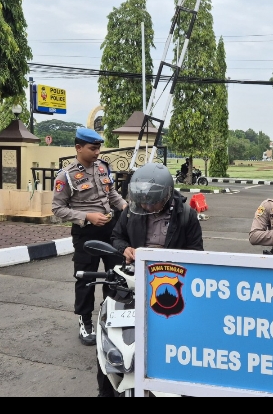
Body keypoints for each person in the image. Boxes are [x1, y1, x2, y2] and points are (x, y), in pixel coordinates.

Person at [101, 162, 202, 397]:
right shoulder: (131, 211)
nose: (147, 206)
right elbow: (116, 236)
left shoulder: (186, 215)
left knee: (174, 335)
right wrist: (125, 249)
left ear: (166, 195)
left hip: (172, 283)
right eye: (143, 201)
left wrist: (172, 259)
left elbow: (197, 252)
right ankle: (106, 390)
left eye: (153, 201)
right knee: (112, 335)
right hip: (134, 280)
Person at [51, 128, 128, 346]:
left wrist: (125, 206)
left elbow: (111, 194)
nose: (97, 152)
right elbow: (57, 208)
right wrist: (87, 216)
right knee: (86, 279)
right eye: (92, 148)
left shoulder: (103, 167)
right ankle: (85, 321)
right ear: (78, 148)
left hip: (110, 230)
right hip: (86, 233)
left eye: (98, 148)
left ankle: (110, 317)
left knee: (115, 275)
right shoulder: (65, 176)